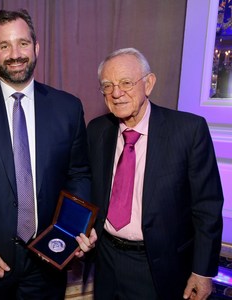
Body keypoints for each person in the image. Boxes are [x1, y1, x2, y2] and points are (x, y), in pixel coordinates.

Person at [0, 9, 96, 300]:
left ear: (36, 48)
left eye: (22, 43)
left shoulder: (68, 108)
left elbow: (79, 175)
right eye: (4, 46)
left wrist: (74, 230)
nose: (15, 54)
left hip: (49, 261)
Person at [87, 47, 224, 300]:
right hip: (106, 261)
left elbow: (207, 207)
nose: (116, 93)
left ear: (148, 84)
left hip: (158, 266)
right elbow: (90, 190)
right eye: (108, 86)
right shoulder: (97, 131)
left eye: (126, 83)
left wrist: (203, 272)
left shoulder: (188, 131)